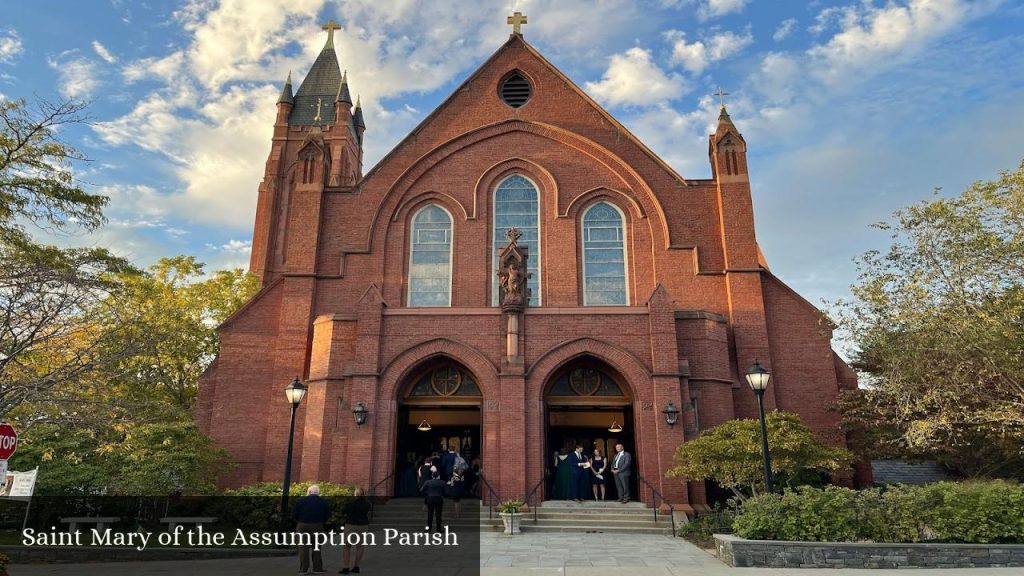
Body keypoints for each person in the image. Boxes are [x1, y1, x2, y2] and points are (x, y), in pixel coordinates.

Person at [292, 484, 330, 574]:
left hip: (302, 525)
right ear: (318, 492)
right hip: (317, 525)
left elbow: (294, 514)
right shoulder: (323, 501)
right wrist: (321, 521)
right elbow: (328, 514)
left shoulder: (300, 501)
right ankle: (317, 568)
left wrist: (299, 521)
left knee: (303, 547)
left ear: (308, 492)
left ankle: (303, 569)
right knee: (316, 547)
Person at [339, 487, 370, 575]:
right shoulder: (367, 504)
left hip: (351, 525)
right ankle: (356, 566)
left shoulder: (351, 503)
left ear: (355, 494)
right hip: (363, 525)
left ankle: (346, 567)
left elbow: (346, 511)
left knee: (346, 546)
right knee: (360, 546)